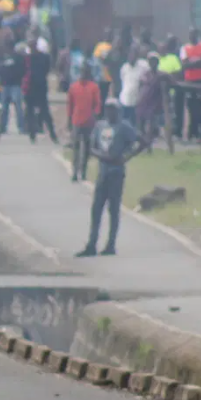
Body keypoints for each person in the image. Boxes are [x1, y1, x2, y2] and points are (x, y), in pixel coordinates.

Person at [76, 103, 145, 257]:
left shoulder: (124, 127)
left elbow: (142, 141)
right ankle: (92, 243)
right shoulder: (100, 126)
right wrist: (100, 155)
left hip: (116, 172)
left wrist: (127, 156)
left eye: (113, 109)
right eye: (107, 109)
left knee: (113, 209)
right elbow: (92, 146)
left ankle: (110, 244)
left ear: (118, 111)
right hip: (103, 171)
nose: (109, 112)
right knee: (96, 208)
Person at [67, 64, 104, 182]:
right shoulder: (74, 87)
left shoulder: (94, 87)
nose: (84, 74)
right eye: (82, 71)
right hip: (77, 121)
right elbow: (70, 104)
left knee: (87, 148)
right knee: (76, 147)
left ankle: (83, 171)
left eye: (86, 72)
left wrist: (96, 116)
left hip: (89, 122)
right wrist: (69, 119)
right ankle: (74, 172)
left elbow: (97, 104)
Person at [179, 30, 201, 143]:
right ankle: (192, 133)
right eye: (190, 34)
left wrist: (192, 63)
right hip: (189, 82)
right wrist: (198, 61)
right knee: (191, 108)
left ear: (197, 35)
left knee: (200, 107)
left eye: (194, 34)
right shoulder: (184, 48)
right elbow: (184, 65)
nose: (192, 36)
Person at [24, 39, 57, 144]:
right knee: (30, 113)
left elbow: (46, 70)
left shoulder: (44, 57)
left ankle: (52, 134)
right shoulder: (27, 59)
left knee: (45, 112)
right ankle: (32, 135)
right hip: (30, 88)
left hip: (41, 88)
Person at [0, 42, 26, 136]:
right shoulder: (2, 58)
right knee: (4, 107)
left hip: (15, 85)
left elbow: (22, 70)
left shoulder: (18, 57)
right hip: (5, 85)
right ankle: (2, 127)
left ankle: (21, 127)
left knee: (18, 107)